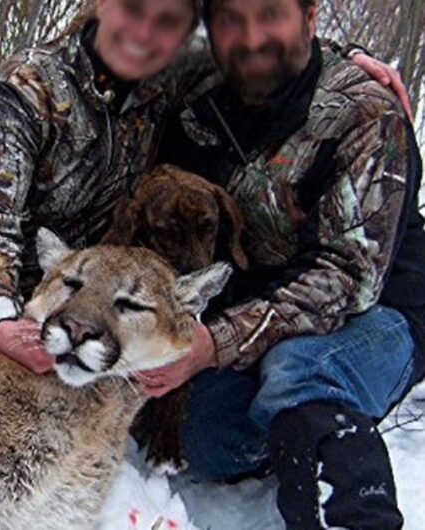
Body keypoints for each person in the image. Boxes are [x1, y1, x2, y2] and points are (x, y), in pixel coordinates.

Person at [0, 0, 406, 375]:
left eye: (167, 22)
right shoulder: (27, 88)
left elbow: (270, 47)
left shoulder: (161, 79)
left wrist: (348, 61)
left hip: (67, 292)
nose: (145, 32)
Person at [143, 0, 425, 527]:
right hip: (259, 314)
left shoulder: (366, 114)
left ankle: (353, 513)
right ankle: (300, 426)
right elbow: (114, 40)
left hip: (379, 314)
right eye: (233, 20)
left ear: (311, 17)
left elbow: (346, 280)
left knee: (298, 369)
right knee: (201, 440)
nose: (252, 39)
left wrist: (215, 344)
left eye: (271, 15)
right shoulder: (200, 98)